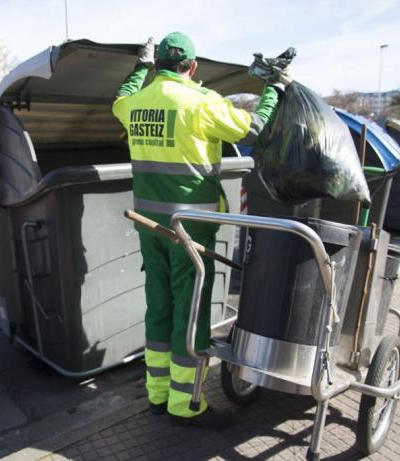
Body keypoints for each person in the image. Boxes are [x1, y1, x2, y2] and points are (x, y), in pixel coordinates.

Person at [112, 32, 287, 428]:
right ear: (192, 68)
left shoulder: (134, 104)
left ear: (157, 66)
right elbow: (253, 128)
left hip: (149, 226)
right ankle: (185, 404)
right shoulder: (203, 103)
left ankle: (158, 396)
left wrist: (138, 69)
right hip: (190, 228)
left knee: (159, 307)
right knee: (191, 313)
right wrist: (273, 89)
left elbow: (119, 99)